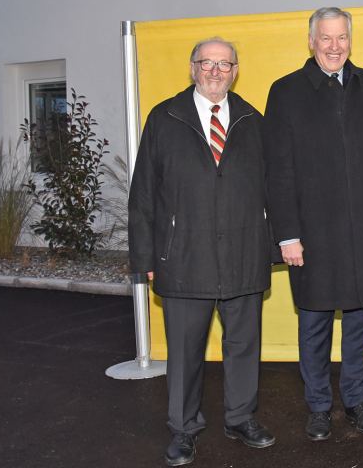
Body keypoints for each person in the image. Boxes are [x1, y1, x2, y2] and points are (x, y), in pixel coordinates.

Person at [128, 38, 275, 466]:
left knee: (244, 345)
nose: (215, 71)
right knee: (186, 350)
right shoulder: (165, 117)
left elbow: (273, 188)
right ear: (192, 68)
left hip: (243, 252)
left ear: (235, 70)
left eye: (223, 64)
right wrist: (145, 258)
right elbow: (143, 195)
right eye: (206, 63)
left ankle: (241, 417)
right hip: (183, 255)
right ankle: (184, 428)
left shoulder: (252, 120)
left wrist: (276, 243)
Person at [263, 7, 363, 440]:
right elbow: (277, 170)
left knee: (361, 323)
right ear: (311, 41)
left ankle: (357, 401)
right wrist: (287, 235)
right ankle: (319, 406)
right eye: (326, 38)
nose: (335, 46)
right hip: (312, 234)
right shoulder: (285, 91)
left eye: (341, 38)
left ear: (350, 40)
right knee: (314, 323)